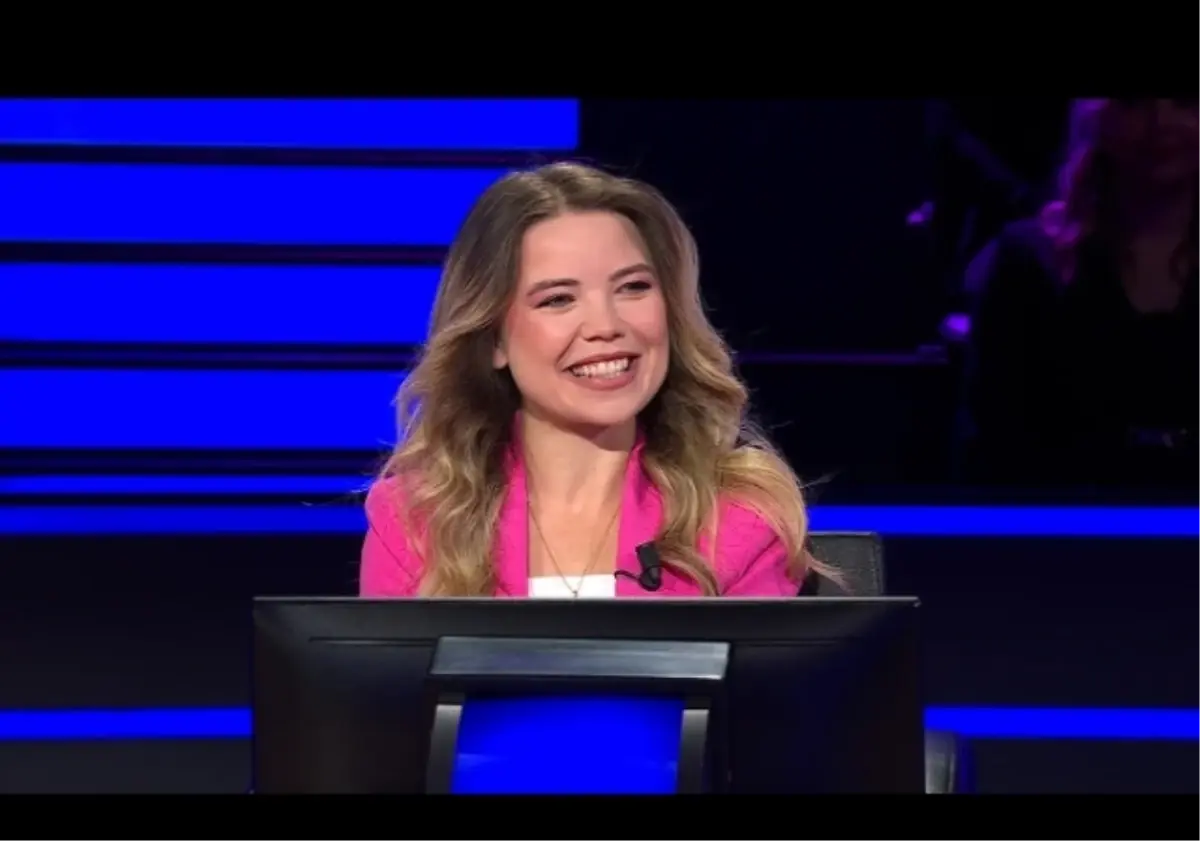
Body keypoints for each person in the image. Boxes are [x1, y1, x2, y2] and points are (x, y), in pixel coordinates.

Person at [360, 162, 826, 598]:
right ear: (493, 339)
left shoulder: (739, 520)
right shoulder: (417, 523)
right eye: (558, 299)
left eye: (633, 288)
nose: (605, 325)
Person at [958, 99, 1200, 489]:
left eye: (1186, 103)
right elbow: (991, 440)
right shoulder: (1029, 260)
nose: (1162, 123)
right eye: (1136, 103)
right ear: (1097, 118)